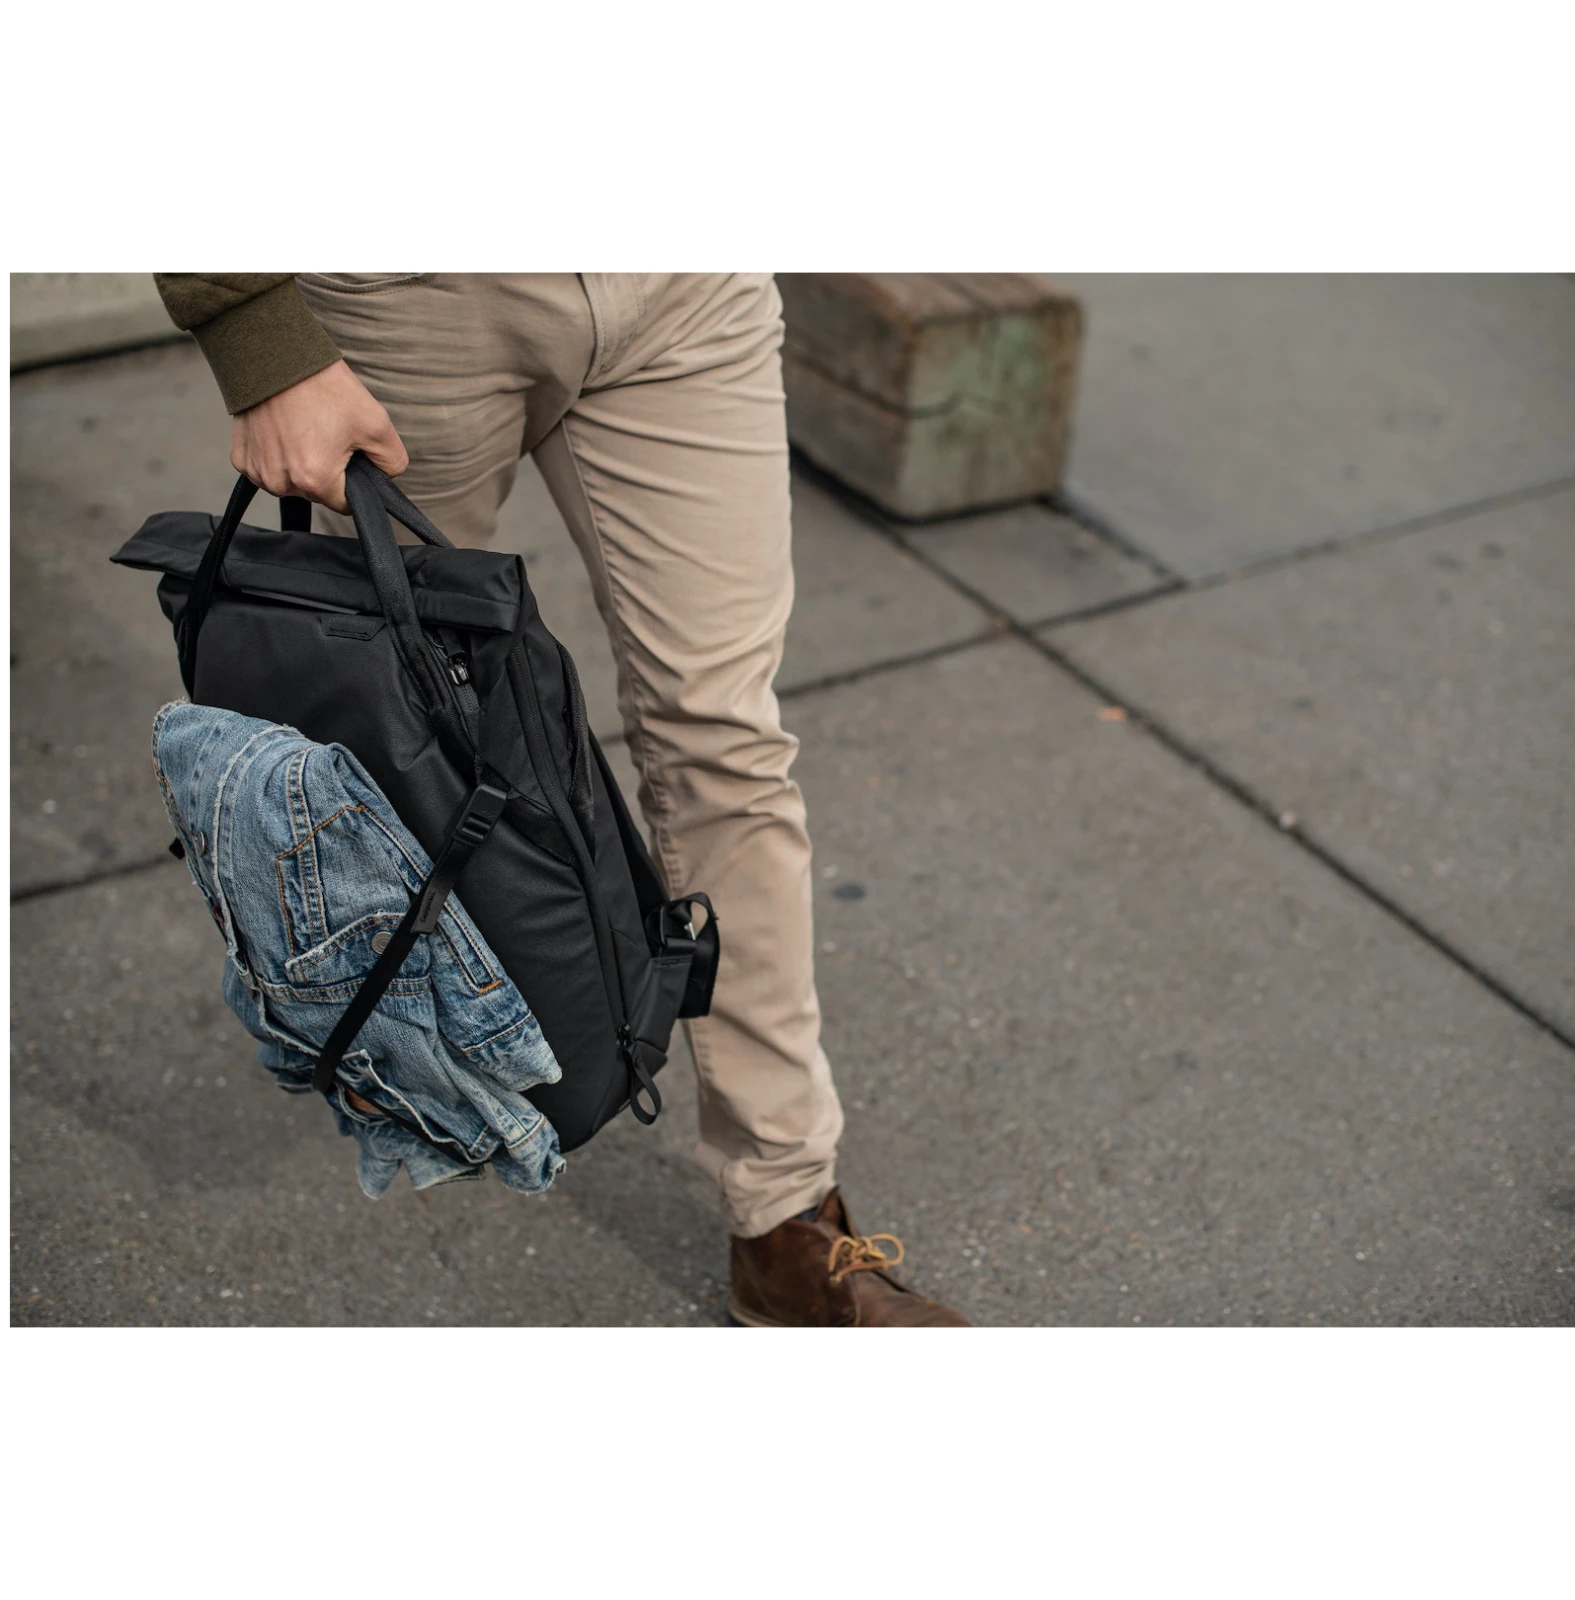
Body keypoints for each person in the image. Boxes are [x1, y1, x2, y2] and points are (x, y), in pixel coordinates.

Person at [153, 272, 969, 1327]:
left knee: (726, 742)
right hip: (410, 294)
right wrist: (255, 334)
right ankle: (421, 1085)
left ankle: (786, 1216)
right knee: (389, 745)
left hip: (681, 289)